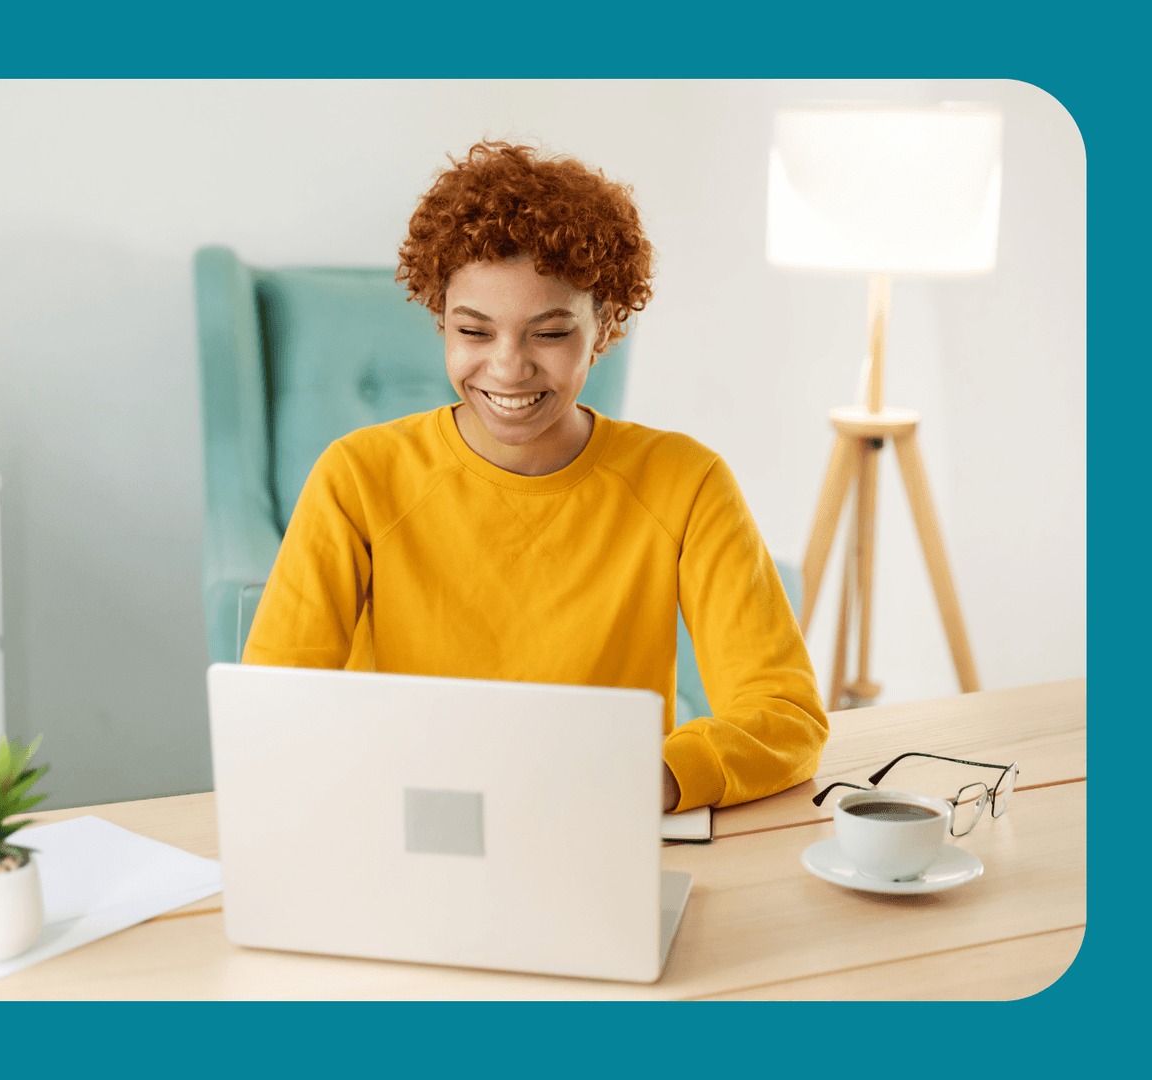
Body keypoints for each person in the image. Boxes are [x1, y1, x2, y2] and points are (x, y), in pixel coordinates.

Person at [240, 141, 827, 811]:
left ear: (603, 327)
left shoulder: (685, 482)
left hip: (604, 822)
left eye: (548, 333)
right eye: (475, 331)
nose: (509, 367)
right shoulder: (359, 476)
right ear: (440, 321)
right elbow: (275, 707)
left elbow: (786, 715)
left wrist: (655, 777)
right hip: (409, 824)